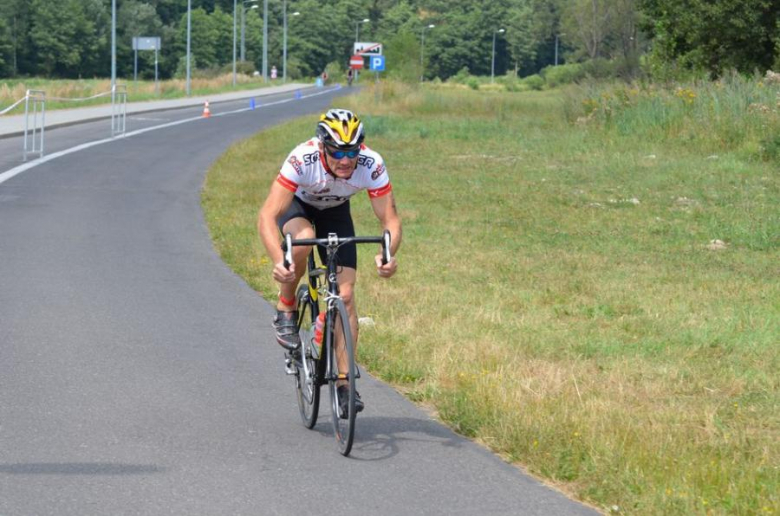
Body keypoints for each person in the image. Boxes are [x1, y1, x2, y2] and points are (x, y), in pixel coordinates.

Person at [257, 108, 402, 414]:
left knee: (346, 297)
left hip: (336, 213)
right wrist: (278, 260)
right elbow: (267, 215)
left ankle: (346, 384)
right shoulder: (303, 159)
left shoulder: (371, 164)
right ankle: (287, 305)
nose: (345, 160)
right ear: (323, 146)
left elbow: (390, 220)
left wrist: (388, 255)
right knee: (303, 239)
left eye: (351, 151)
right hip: (298, 207)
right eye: (337, 151)